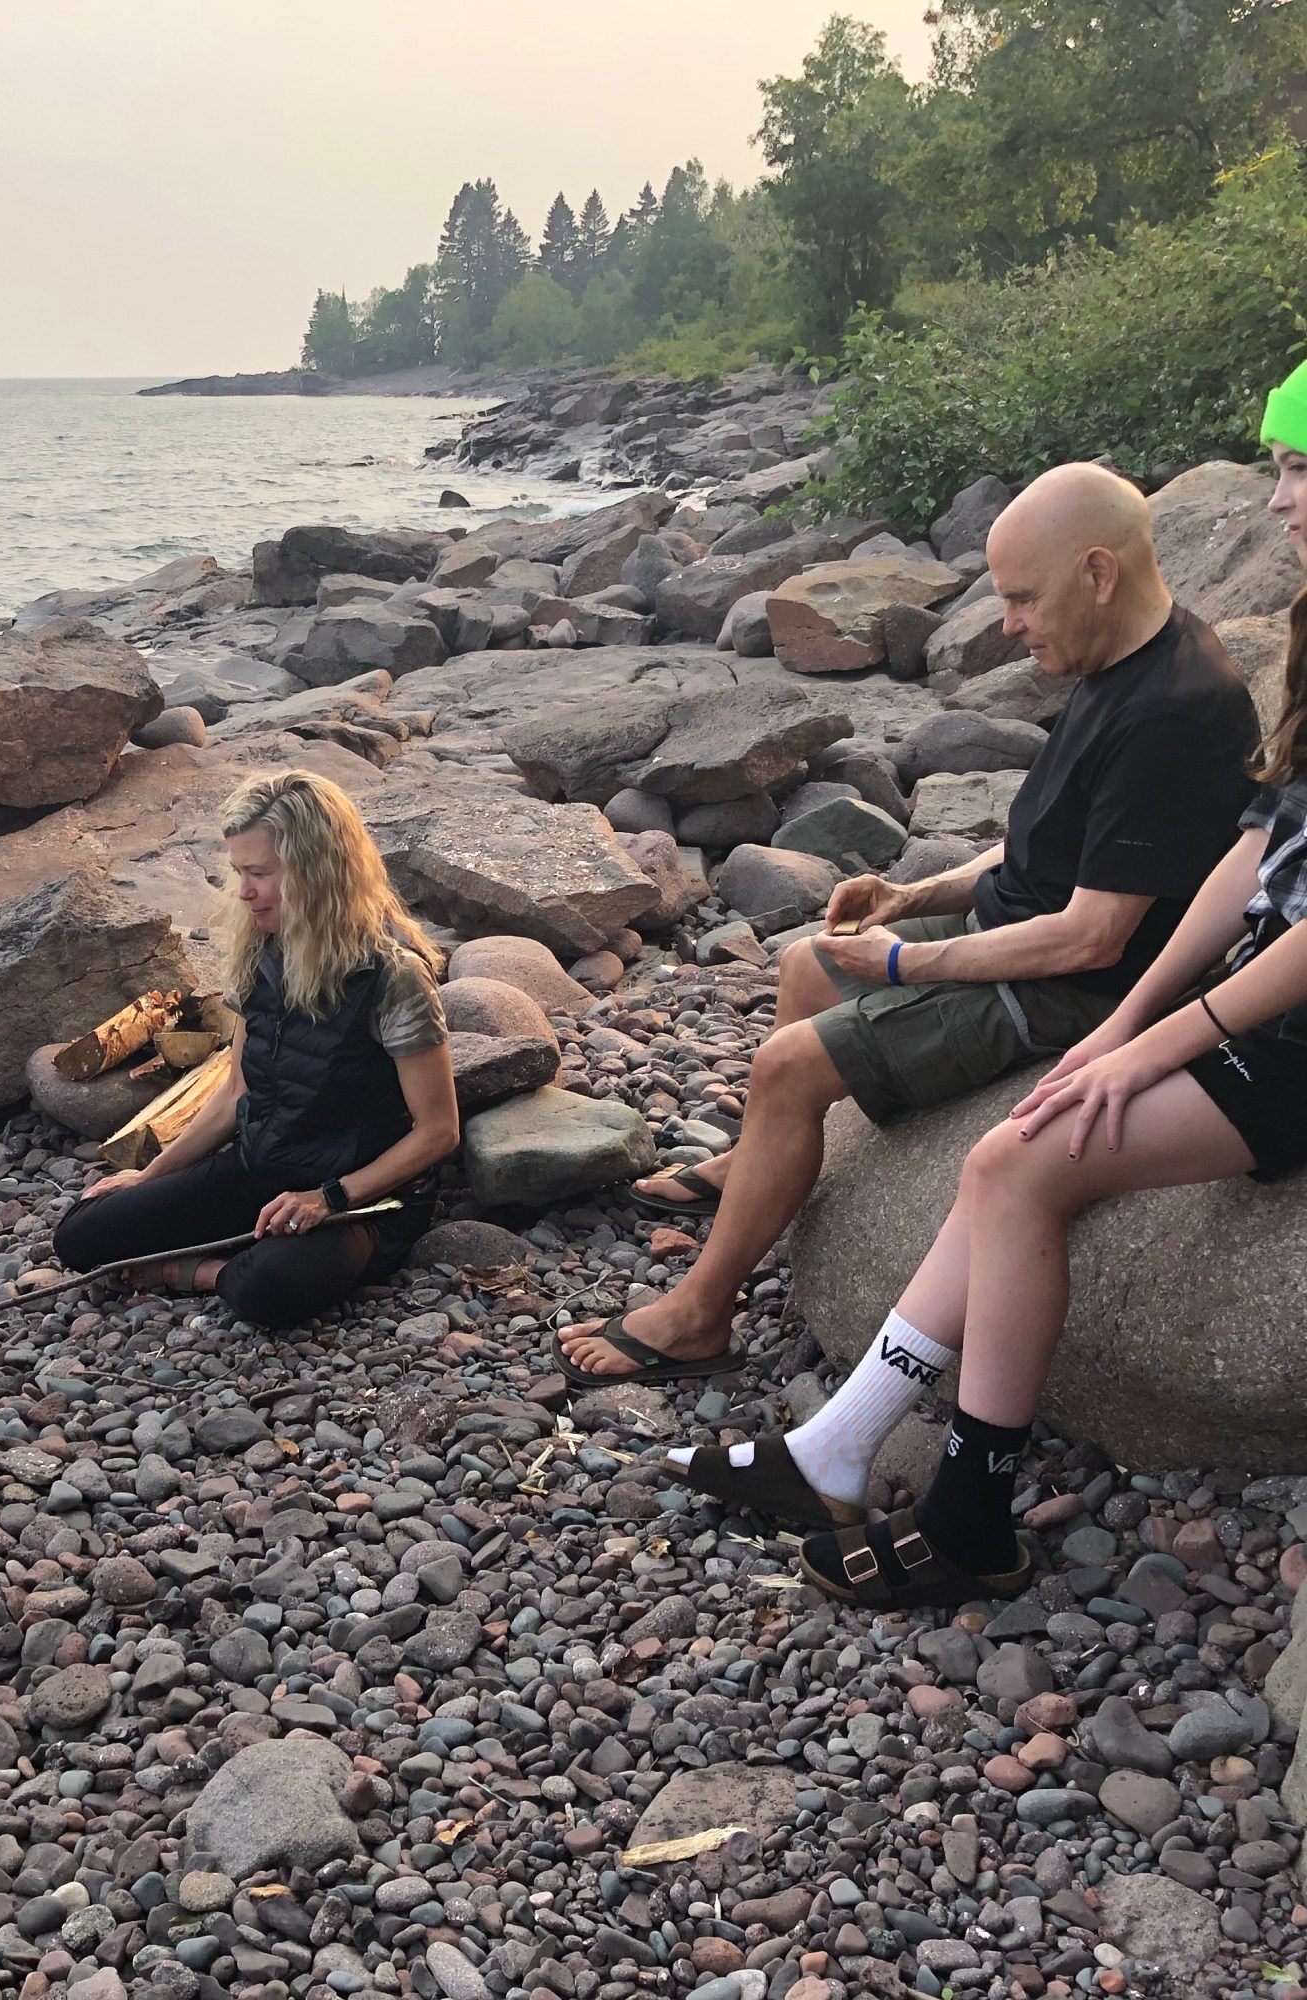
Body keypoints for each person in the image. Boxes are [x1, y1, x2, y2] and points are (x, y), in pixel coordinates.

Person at [670, 365, 1307, 1607]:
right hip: (1236, 990)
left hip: (1269, 1019)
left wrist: (1144, 1035)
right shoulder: (1263, 639)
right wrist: (1132, 1025)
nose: (1278, 502)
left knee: (1011, 1161)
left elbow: (1148, 925)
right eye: (1279, 470)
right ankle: (839, 1449)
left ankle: (967, 1517)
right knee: (997, 1141)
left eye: (1300, 472)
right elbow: (1258, 852)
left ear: (1092, 575)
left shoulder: (1177, 697)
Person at [556, 461, 1261, 1391]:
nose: (1007, 625)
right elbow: (1034, 858)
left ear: (1098, 573)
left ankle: (698, 1316)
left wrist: (906, 962)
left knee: (787, 1065)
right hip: (1041, 949)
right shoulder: (1112, 657)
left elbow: (1092, 936)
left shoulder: (1172, 712)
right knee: (811, 970)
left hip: (1072, 996)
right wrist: (904, 898)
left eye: (1022, 599)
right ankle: (753, 1163)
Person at [51, 768, 459, 1328]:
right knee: (81, 1234)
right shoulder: (260, 952)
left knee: (269, 1289)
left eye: (260, 873)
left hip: (362, 1204)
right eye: (239, 871)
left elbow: (438, 1132)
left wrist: (327, 1198)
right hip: (257, 1172)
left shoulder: (394, 978)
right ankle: (235, 1256)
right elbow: (233, 1092)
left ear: (320, 872)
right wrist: (151, 1177)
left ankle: (201, 1272)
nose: (244, 892)